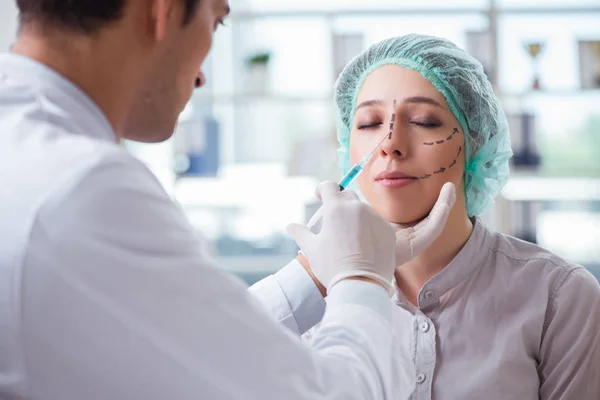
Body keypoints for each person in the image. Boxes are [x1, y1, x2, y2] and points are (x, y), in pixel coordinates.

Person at [0, 1, 456, 399]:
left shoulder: (27, 152)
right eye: (216, 23)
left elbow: (180, 341)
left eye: (425, 121)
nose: (201, 75)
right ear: (162, 10)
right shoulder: (84, 191)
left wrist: (315, 275)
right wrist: (362, 280)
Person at [250, 34, 600, 399]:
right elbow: (210, 361)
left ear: (477, 142)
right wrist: (319, 276)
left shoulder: (559, 296)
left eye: (424, 120)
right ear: (346, 144)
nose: (390, 143)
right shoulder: (310, 302)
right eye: (369, 123)